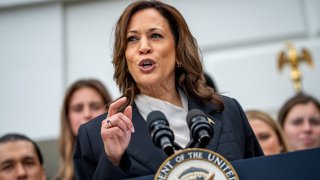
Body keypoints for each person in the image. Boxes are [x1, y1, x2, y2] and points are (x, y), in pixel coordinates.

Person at [73, 1, 263, 179]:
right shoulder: (96, 137)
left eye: (155, 35)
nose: (144, 47)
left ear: (178, 51)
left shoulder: (228, 112)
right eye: (132, 39)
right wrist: (112, 160)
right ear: (125, 57)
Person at [55, 79, 112, 180]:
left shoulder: (129, 165)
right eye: (78, 109)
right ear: (67, 117)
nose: (87, 114)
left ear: (109, 111)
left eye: (95, 107)